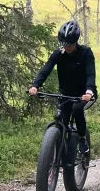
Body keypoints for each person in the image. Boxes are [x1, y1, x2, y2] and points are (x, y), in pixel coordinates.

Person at [29, 21, 96, 155]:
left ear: (75, 41)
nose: (66, 47)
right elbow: (45, 70)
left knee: (77, 110)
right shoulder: (58, 54)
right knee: (63, 120)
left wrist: (89, 91)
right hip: (65, 94)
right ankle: (59, 152)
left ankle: (82, 140)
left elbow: (90, 74)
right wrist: (35, 85)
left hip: (84, 95)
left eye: (69, 44)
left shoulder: (86, 53)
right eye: (64, 44)